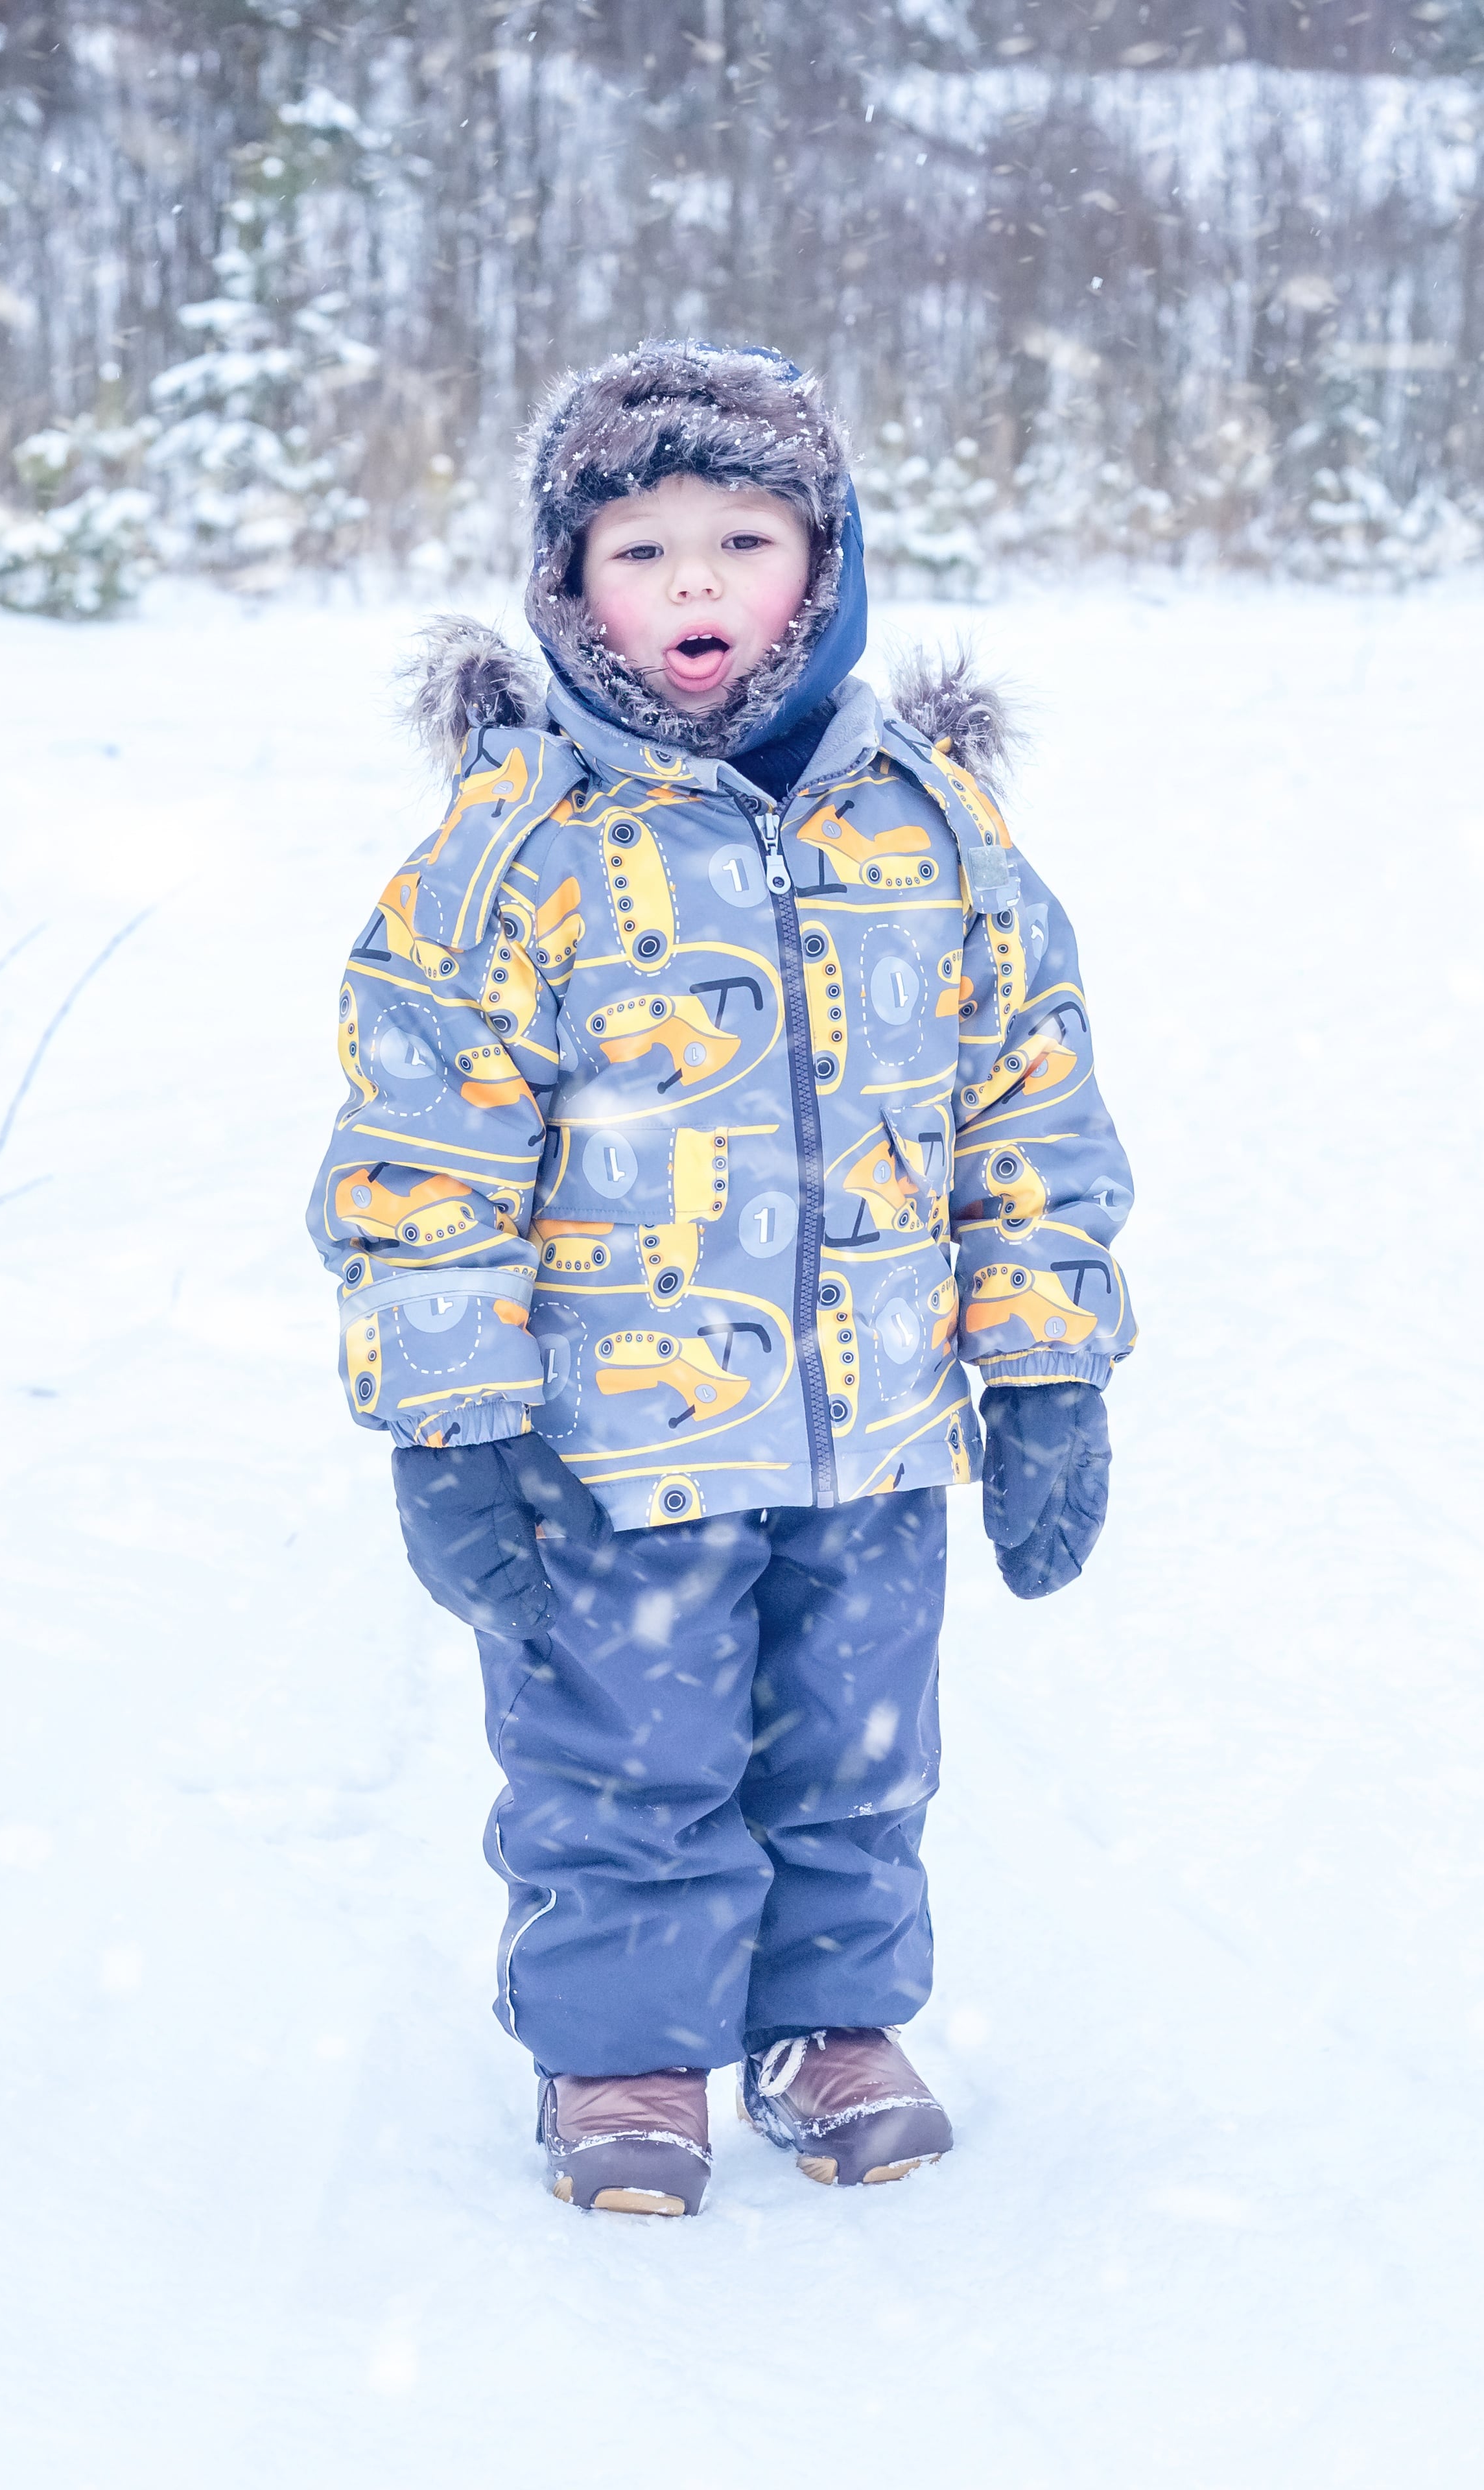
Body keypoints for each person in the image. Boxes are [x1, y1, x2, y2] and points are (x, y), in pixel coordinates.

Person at [303, 341, 1137, 2216]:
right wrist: (450, 1418)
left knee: (857, 1758)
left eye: (742, 539)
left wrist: (1051, 1368)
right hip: (618, 1449)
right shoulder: (515, 852)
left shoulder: (935, 830)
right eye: (641, 548)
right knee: (622, 1765)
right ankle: (623, 2055)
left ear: (822, 571)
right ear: (566, 587)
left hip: (879, 1430)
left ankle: (830, 2024)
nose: (694, 584)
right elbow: (422, 1154)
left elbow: (1030, 1106)